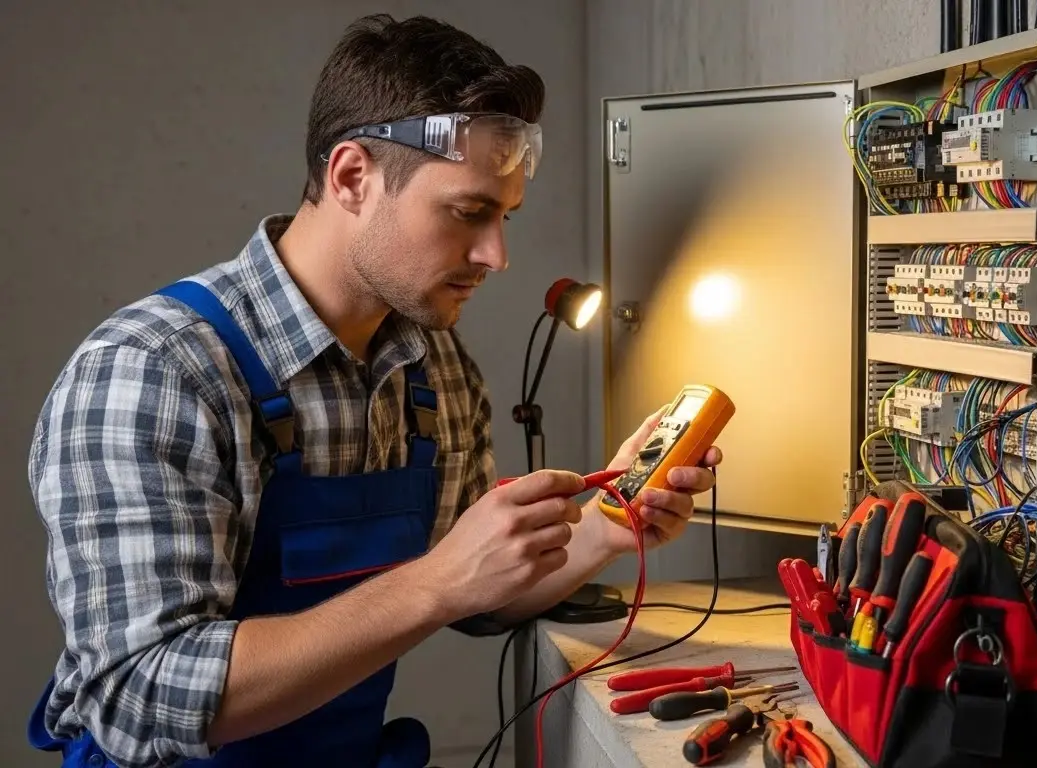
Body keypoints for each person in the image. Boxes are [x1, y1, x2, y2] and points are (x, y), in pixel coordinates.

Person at [24, 14, 720, 768]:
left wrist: (603, 532)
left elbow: (475, 585)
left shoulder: (433, 365)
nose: (496, 255)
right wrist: (436, 583)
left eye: (506, 217)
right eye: (468, 213)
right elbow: (144, 695)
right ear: (352, 176)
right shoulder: (154, 371)